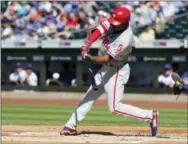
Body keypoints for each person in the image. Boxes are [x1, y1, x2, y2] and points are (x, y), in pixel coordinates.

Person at [60, 7, 159, 137]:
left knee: (114, 107)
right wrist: (87, 44)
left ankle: (150, 116)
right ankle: (71, 126)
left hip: (116, 71)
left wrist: (90, 58)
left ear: (124, 24)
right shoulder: (115, 22)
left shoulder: (125, 39)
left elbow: (107, 58)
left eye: (116, 23)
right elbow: (98, 30)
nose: (112, 24)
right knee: (89, 97)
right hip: (106, 69)